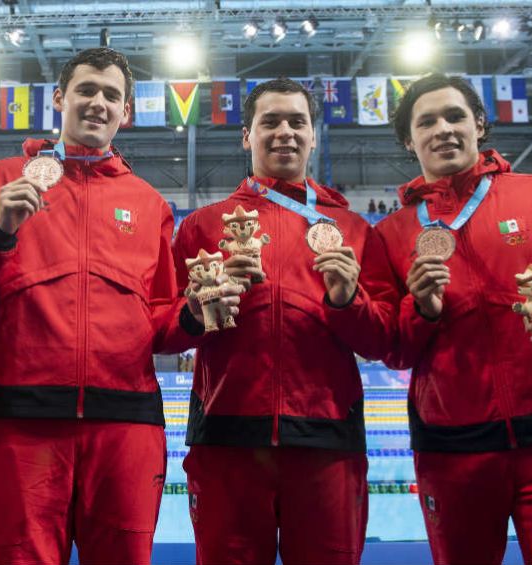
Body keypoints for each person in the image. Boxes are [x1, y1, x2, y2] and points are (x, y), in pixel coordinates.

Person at [376, 73, 532, 565]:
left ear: (479, 124)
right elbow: (392, 347)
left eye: (455, 116)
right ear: (410, 140)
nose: (443, 129)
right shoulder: (391, 233)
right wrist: (422, 311)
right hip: (453, 447)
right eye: (426, 122)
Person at [0, 47, 177, 565]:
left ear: (127, 111)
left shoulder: (149, 204)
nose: (98, 103)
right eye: (87, 90)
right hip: (22, 425)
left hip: (125, 427)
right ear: (60, 98)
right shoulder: (3, 180)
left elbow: (162, 320)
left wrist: (194, 316)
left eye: (111, 95)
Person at [163, 78, 398, 564]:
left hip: (327, 440)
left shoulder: (350, 229)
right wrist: (195, 310)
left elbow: (383, 341)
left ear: (314, 135)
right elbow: (160, 329)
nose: (285, 132)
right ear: (246, 135)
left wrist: (346, 299)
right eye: (270, 122)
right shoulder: (203, 225)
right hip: (227, 438)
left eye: (298, 122)